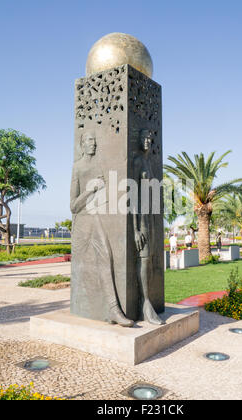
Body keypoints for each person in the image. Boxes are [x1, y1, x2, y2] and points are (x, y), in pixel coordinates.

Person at [70, 132, 134, 328]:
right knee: (85, 268)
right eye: (90, 140)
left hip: (96, 217)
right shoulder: (78, 167)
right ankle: (92, 307)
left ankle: (114, 310)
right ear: (82, 144)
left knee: (106, 256)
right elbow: (73, 206)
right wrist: (91, 188)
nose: (94, 144)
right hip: (82, 222)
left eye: (95, 140)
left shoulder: (98, 165)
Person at [133, 129, 164, 326]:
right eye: (144, 138)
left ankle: (148, 301)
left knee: (150, 258)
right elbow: (132, 196)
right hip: (141, 216)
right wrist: (135, 229)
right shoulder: (137, 162)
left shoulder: (149, 162)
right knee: (143, 259)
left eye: (150, 139)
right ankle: (144, 303)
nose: (147, 141)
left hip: (151, 214)